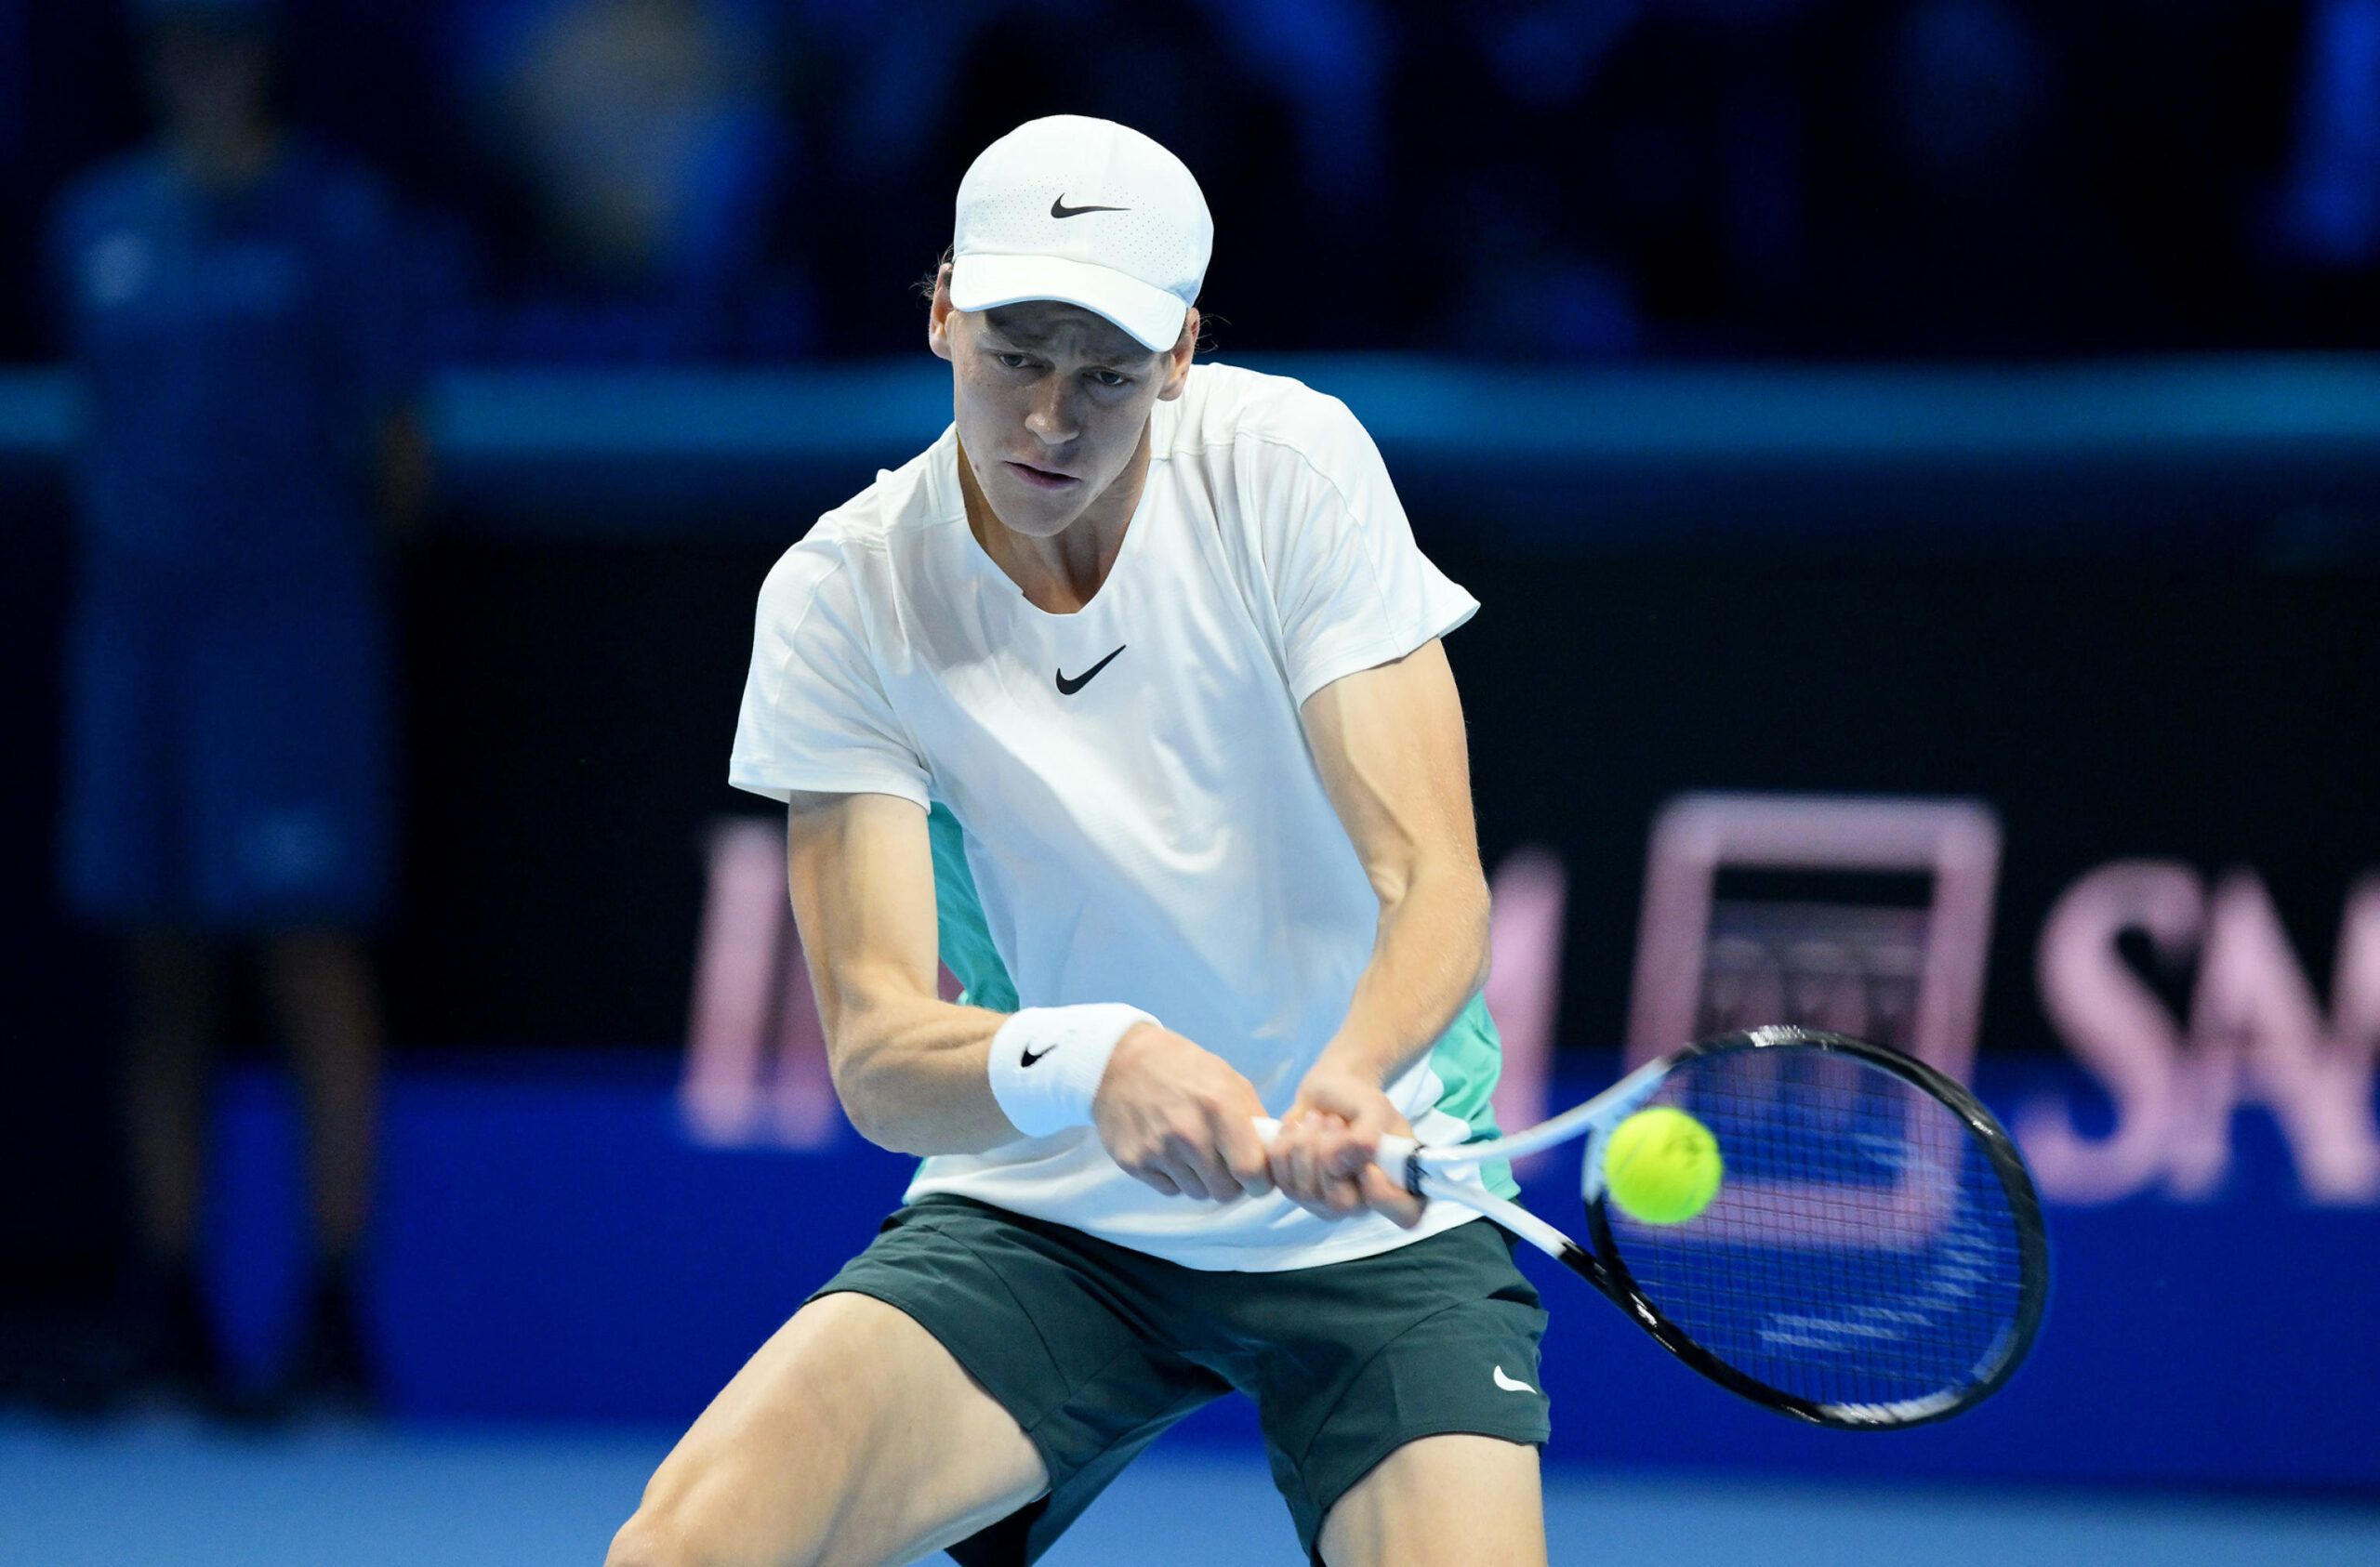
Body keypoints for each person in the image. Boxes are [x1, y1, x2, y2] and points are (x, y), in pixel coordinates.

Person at [610, 115, 1547, 1567]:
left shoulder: (1288, 467)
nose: (1050, 419)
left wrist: (1353, 1076)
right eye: (1014, 355)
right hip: (1051, 1215)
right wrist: (1094, 1060)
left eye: (1107, 372)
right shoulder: (845, 595)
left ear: (1179, 357)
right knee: (688, 1550)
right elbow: (875, 1052)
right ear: (940, 315)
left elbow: (1431, 879)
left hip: (1373, 1222)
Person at [48, 0, 420, 1406]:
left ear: (265, 58)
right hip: (134, 650)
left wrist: (298, 586)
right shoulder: (92, 227)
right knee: (159, 970)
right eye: (178, 45)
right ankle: (172, 1300)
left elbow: (397, 450)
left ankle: (332, 1310)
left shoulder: (336, 221)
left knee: (310, 960)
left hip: (290, 648)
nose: (202, 69)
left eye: (226, 42)